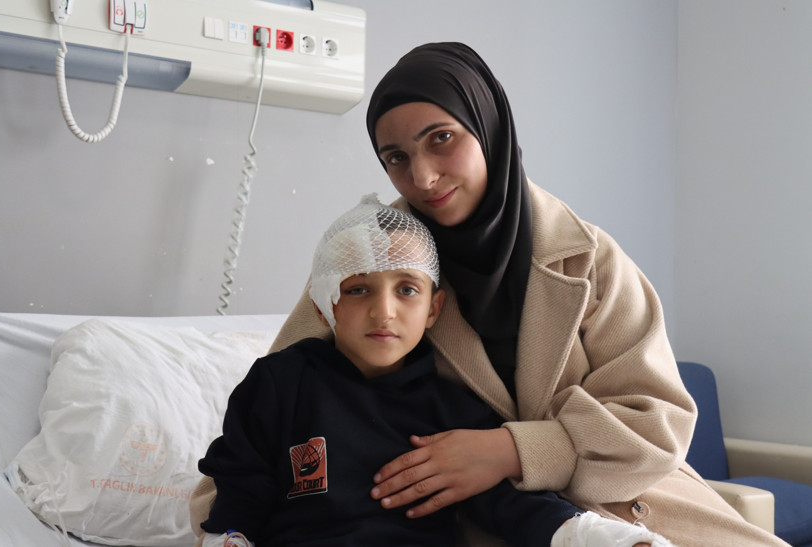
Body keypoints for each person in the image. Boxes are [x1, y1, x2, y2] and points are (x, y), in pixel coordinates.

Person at [192, 43, 789, 546]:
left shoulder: (589, 259)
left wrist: (512, 450)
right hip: (479, 526)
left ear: (487, 128)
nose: (423, 176)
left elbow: (657, 425)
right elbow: (255, 445)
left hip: (629, 510)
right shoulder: (374, 258)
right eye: (397, 158)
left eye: (441, 139)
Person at [194, 194, 670, 547]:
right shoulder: (279, 384)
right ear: (322, 306)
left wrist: (593, 536)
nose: (384, 312)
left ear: (434, 309)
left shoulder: (451, 409)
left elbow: (509, 505)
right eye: (358, 290)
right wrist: (228, 537)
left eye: (406, 290)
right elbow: (242, 482)